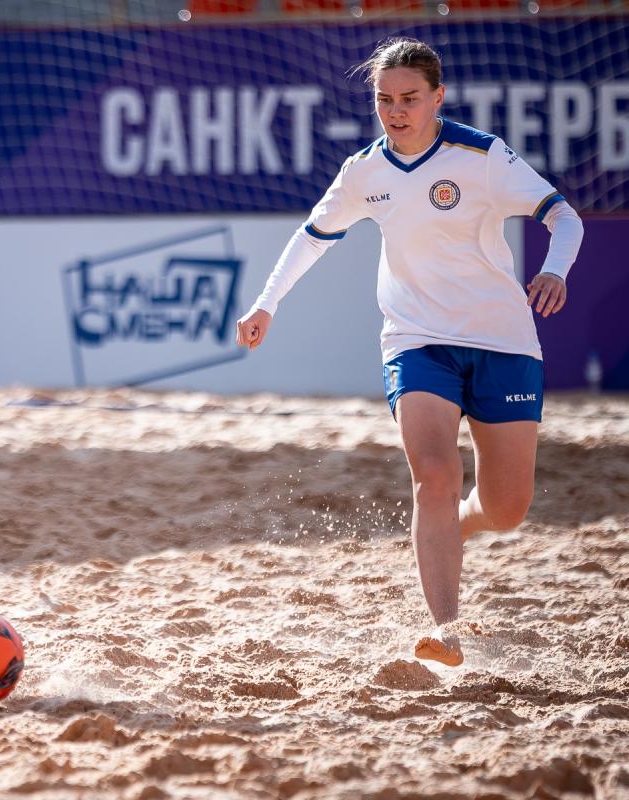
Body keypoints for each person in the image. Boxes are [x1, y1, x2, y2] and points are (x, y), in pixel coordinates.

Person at [235, 38, 583, 667]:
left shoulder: (481, 156)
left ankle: (458, 523)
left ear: (438, 97)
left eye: (410, 98)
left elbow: (564, 217)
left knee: (507, 508)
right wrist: (266, 304)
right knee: (434, 477)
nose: (396, 111)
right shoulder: (363, 171)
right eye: (384, 99)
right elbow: (312, 238)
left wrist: (555, 270)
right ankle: (446, 630)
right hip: (416, 341)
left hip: (502, 342)